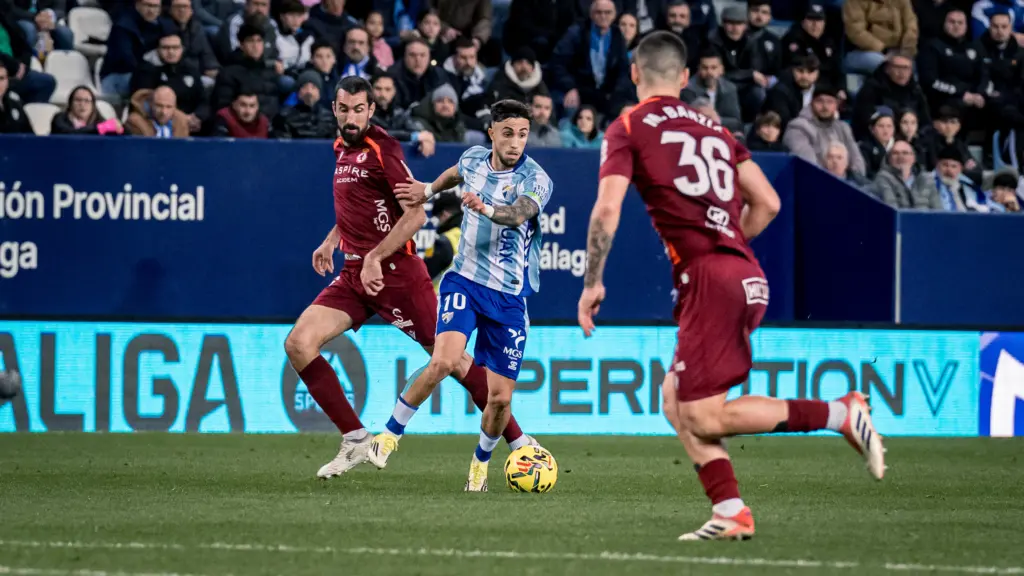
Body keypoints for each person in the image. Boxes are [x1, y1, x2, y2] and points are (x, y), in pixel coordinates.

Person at [576, 31, 885, 541]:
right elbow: (768, 203)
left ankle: (840, 413)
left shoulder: (628, 126)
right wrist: (729, 246)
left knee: (703, 415)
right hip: (743, 271)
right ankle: (730, 510)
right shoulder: (716, 129)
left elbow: (607, 209)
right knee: (674, 399)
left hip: (709, 278)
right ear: (684, 78)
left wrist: (592, 283)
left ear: (634, 73)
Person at [283, 78, 537, 479]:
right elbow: (358, 207)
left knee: (452, 362)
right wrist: (332, 240)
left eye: (359, 109)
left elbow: (416, 214)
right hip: (354, 274)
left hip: (397, 275)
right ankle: (355, 439)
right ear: (334, 109)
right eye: (345, 109)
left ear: (371, 110)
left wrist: (375, 257)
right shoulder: (340, 148)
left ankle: (520, 442)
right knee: (298, 344)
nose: (352, 118)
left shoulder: (382, 149)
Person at [365, 99, 553, 492]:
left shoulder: (536, 179)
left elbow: (518, 214)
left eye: (522, 134)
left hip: (508, 298)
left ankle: (480, 464)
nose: (516, 142)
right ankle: (389, 435)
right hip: (464, 282)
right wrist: (427, 189)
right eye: (508, 133)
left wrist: (485, 208)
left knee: (499, 401)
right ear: (491, 132)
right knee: (444, 362)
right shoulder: (473, 159)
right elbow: (455, 173)